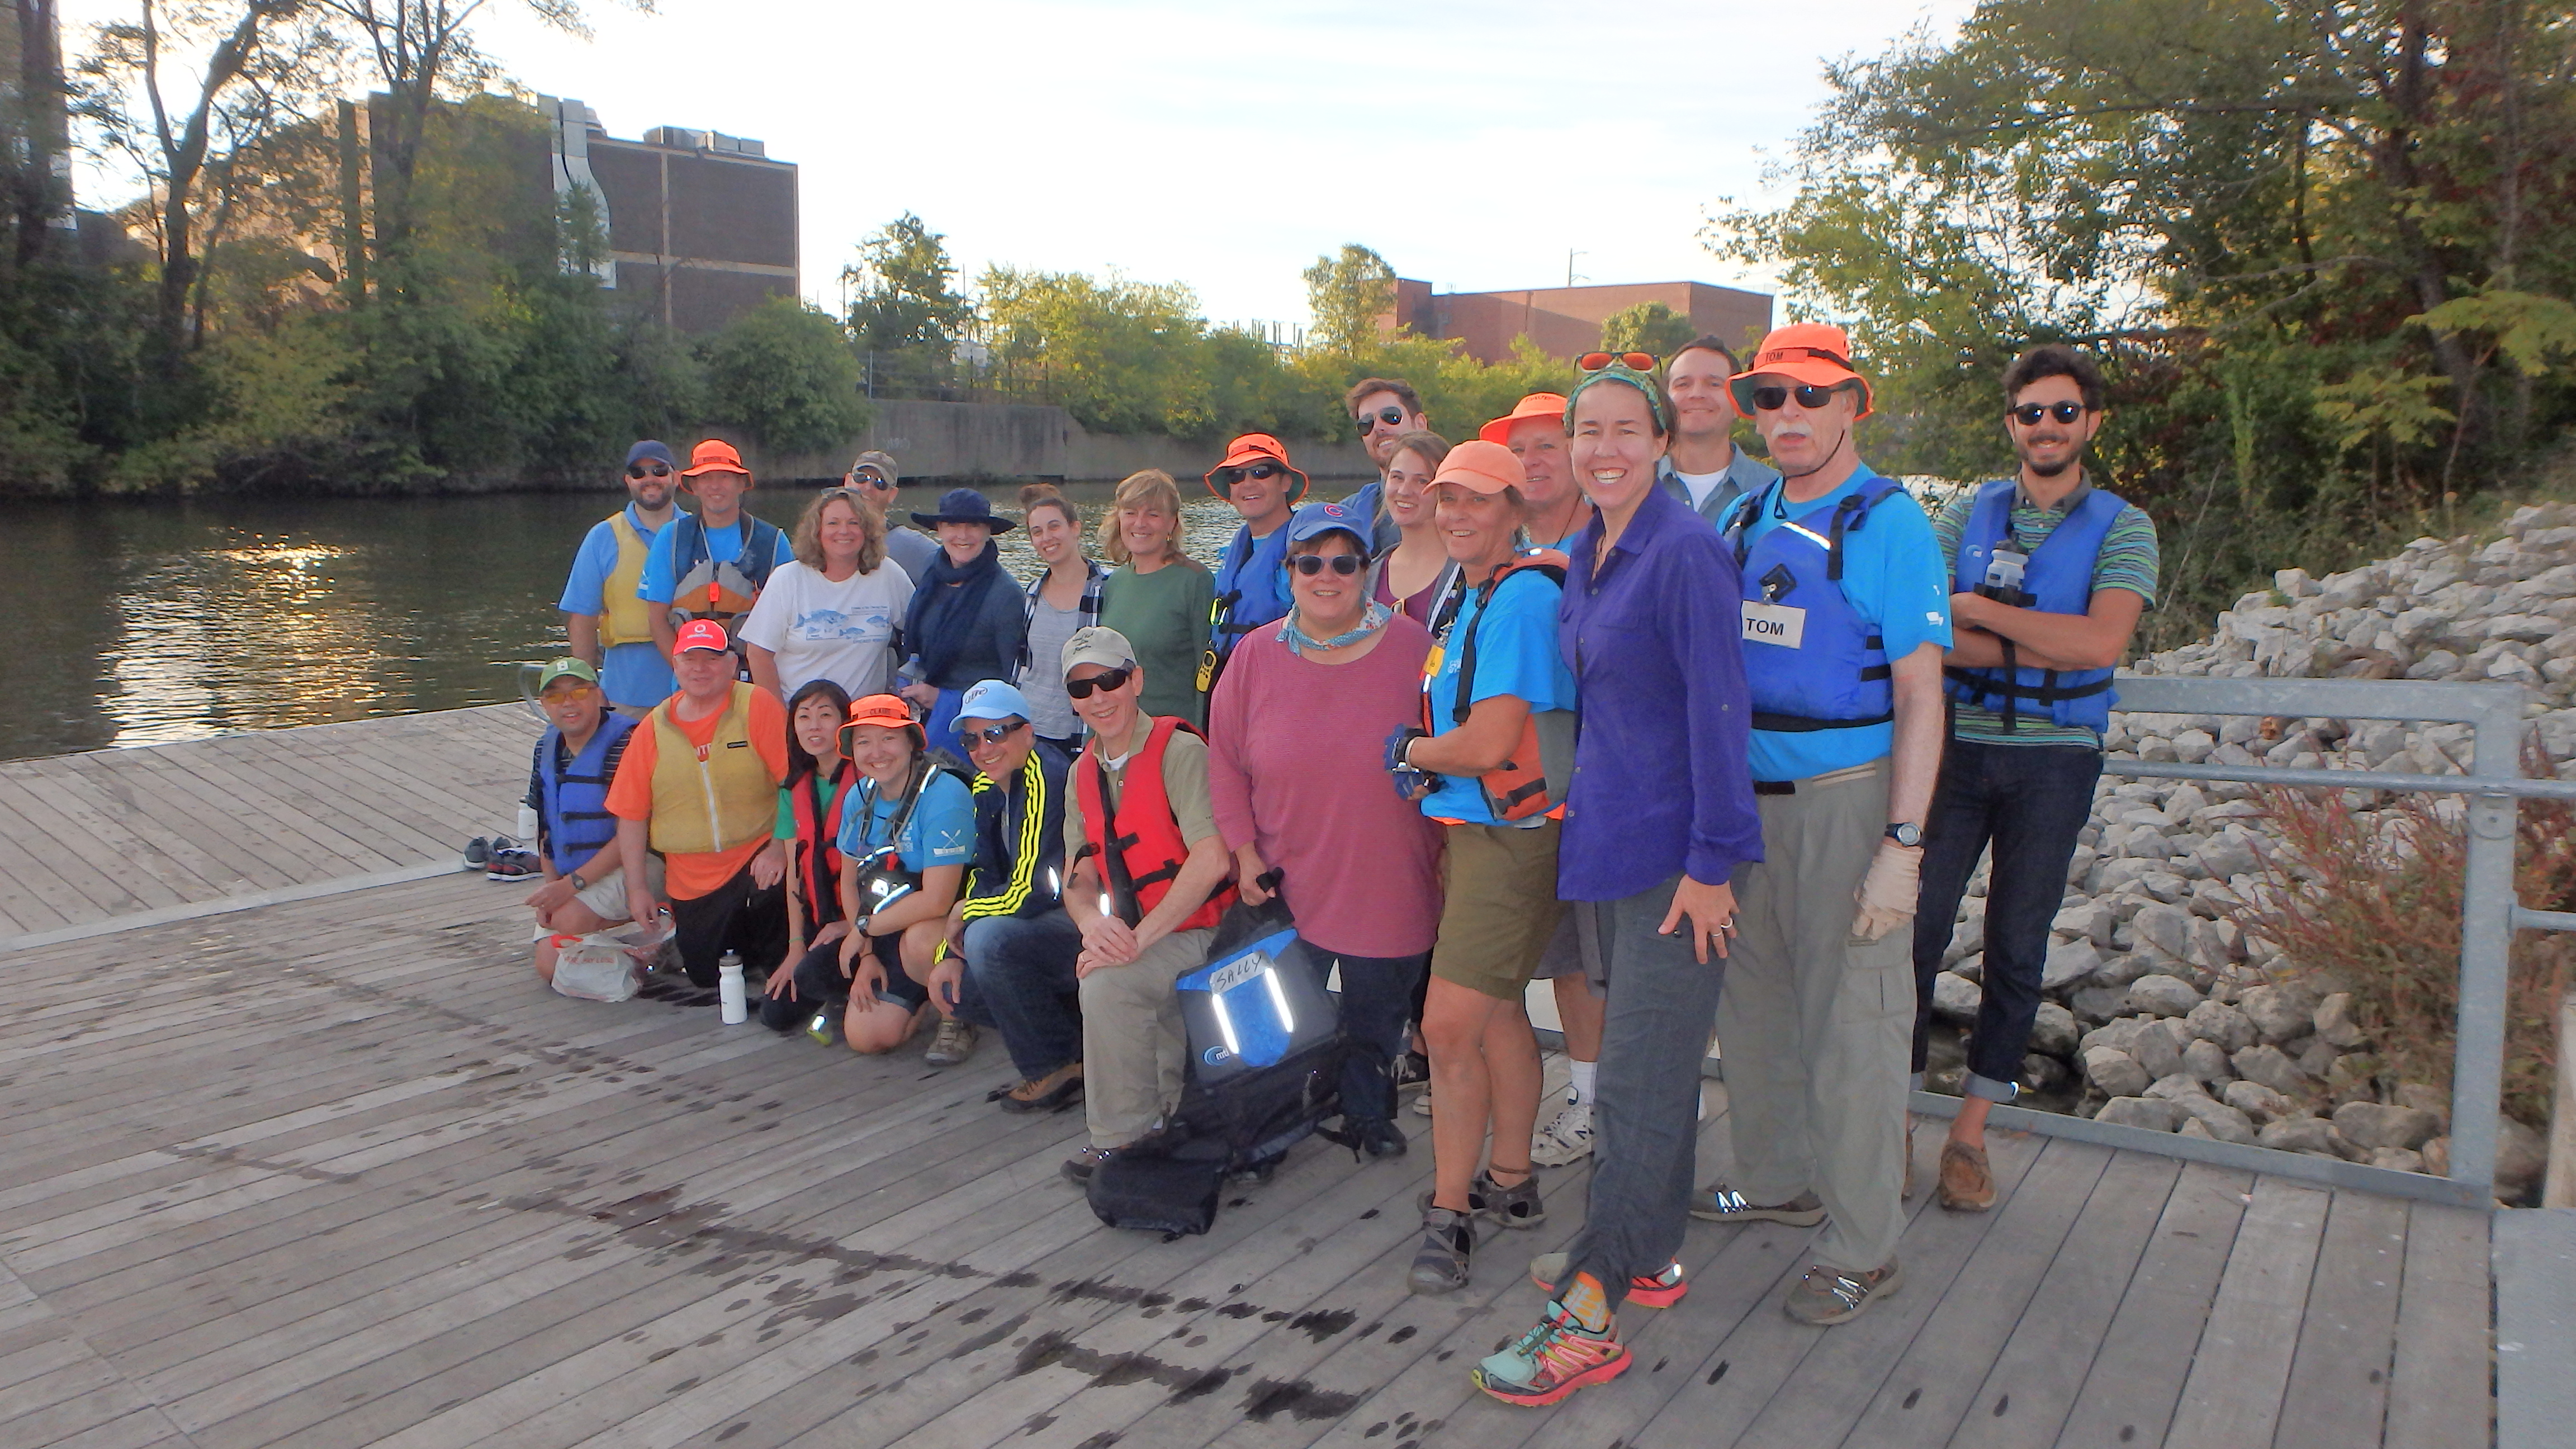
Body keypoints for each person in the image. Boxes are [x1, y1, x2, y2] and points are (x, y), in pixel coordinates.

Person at [1472, 358, 1766, 1408]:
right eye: (1583, 431)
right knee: (1656, 1067)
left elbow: (1719, 712)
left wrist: (1710, 865)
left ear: (1658, 440)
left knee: (1638, 1078)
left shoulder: (1684, 552)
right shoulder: (1593, 550)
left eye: (1620, 431)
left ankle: (1588, 1313)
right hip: (1612, 840)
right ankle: (1640, 1252)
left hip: (1675, 861)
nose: (1601, 448)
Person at [1688, 323, 1952, 1325]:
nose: (1787, 416)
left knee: (1853, 1030)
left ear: (1854, 404)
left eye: (1810, 396)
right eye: (1770, 398)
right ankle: (1775, 1180)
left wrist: (1902, 846)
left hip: (1846, 797)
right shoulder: (1746, 514)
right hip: (1741, 808)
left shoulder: (1887, 522)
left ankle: (1863, 1243)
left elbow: (1922, 696)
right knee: (1751, 1011)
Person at [1911, 344, 2158, 1210]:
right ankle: (1892, 1116)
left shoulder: (2125, 526)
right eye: (2030, 413)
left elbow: (2099, 645)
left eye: (2063, 412)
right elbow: (1929, 629)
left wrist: (1978, 612)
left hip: (2055, 758)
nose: (2046, 427)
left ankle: (1970, 1137)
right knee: (1912, 933)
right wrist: (2002, 626)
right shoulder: (1961, 517)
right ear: (2010, 422)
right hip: (1955, 751)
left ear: (2091, 422)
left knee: (2018, 945)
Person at [1391, 441, 1577, 1298]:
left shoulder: (1521, 601)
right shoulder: (1474, 593)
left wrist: (1409, 751)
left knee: (1448, 1030)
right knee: (1500, 1012)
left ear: (1514, 511)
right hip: (1480, 833)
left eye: (1477, 500)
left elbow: (1492, 743)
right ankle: (1512, 1178)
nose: (1457, 513)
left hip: (1511, 842)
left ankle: (1448, 1210)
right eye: (1447, 500)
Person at [1208, 500, 1441, 1161]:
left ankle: (1369, 1112)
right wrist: (1243, 852)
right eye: (1310, 561)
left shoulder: (1417, 648)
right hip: (1288, 876)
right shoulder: (1253, 655)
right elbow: (1223, 761)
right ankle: (1275, 1122)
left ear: (1368, 570)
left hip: (1391, 873)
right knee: (1280, 1021)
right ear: (1289, 571)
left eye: (1345, 562)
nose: (1327, 575)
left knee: (1377, 1016)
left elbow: (1452, 742)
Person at [1054, 626, 1234, 1185]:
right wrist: (1093, 926)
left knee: (1109, 983)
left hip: (1209, 933)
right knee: (1099, 964)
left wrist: (1135, 940)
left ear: (1136, 681)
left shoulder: (1181, 752)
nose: (1099, 698)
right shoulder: (1080, 772)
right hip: (1141, 930)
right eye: (1083, 689)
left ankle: (1124, 1137)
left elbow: (1212, 860)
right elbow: (1076, 879)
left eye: (1110, 681)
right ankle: (1155, 1114)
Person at [1479, 392, 1604, 1167]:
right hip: (1530, 792)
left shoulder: (1613, 541)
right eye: (1518, 449)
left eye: (1546, 444)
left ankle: (1606, 1101)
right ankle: (1586, 1097)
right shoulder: (1508, 555)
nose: (1532, 460)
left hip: (1604, 787)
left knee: (1601, 958)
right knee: (1564, 958)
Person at [927, 679, 1087, 1111]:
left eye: (996, 733)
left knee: (987, 941)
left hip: (1084, 920)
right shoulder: (986, 786)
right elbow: (985, 873)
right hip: (1039, 921)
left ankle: (1050, 1065)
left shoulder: (1044, 776)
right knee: (960, 986)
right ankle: (1077, 1049)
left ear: (1028, 733)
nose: (983, 748)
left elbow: (1034, 890)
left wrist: (965, 913)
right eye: (972, 739)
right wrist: (947, 952)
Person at [608, 621, 791, 989]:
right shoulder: (652, 729)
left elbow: (793, 784)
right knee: (707, 975)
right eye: (690, 659)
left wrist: (778, 847)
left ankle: (778, 957)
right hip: (692, 881)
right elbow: (630, 814)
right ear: (675, 665)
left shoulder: (758, 705)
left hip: (757, 860)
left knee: (774, 924)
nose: (699, 668)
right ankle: (692, 938)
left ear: (732, 665)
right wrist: (638, 888)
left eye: (711, 659)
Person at [828, 693, 981, 1057]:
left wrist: (864, 930)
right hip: (884, 922)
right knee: (867, 1038)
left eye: (889, 738)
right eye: (863, 741)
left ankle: (958, 1015)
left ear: (912, 741)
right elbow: (849, 880)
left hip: (945, 922)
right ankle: (923, 996)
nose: (876, 752)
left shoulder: (945, 793)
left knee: (922, 940)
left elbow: (937, 899)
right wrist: (866, 954)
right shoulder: (859, 795)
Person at [522, 658, 659, 983]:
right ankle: (642, 952)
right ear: (544, 705)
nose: (568, 703)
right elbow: (546, 826)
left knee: (567, 920)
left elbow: (635, 826)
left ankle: (661, 920)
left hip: (640, 862)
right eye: (555, 696)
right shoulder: (545, 748)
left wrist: (570, 887)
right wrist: (551, 886)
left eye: (579, 691)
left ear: (599, 695)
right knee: (549, 963)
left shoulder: (627, 742)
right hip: (576, 873)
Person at [740, 487, 915, 701]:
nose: (844, 531)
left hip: (864, 721)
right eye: (833, 523)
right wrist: (778, 719)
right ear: (817, 531)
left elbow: (922, 629)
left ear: (867, 530)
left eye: (854, 522)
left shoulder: (888, 574)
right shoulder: (787, 579)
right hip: (801, 718)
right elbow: (758, 654)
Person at [756, 679, 858, 1038]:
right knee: (775, 1014)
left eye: (825, 715)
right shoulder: (795, 787)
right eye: (804, 717)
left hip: (865, 924)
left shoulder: (868, 780)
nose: (813, 726)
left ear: (845, 723)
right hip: (820, 922)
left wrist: (855, 925)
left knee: (813, 977)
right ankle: (832, 986)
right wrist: (796, 946)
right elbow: (795, 878)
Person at [640, 439, 793, 664]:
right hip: (690, 677)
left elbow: (788, 621)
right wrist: (686, 671)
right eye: (706, 478)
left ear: (741, 484)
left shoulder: (774, 541)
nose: (715, 486)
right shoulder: (671, 538)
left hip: (752, 676)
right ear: (694, 487)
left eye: (725, 477)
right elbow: (657, 618)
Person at [898, 489, 1027, 751]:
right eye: (953, 525)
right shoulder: (931, 577)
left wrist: (942, 699)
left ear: (988, 531)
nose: (963, 536)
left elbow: (1012, 684)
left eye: (974, 526)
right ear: (939, 529)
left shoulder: (1006, 595)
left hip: (977, 734)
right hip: (923, 717)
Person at [559, 441, 681, 714]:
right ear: (628, 482)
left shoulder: (696, 532)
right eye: (639, 473)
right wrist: (588, 687)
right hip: (624, 696)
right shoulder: (602, 537)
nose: (649, 479)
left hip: (691, 692)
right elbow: (581, 619)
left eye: (659, 471)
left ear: (677, 477)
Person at [1093, 470, 1215, 728]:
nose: (1140, 523)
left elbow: (1206, 676)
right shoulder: (1116, 582)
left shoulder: (1194, 580)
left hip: (1173, 738)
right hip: (1116, 735)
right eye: (1130, 513)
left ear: (1172, 523)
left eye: (1153, 514)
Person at [1204, 433, 1309, 683]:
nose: (1248, 483)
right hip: (1232, 681)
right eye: (1236, 476)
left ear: (1285, 482)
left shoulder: (1306, 551)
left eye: (1261, 472)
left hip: (1281, 685)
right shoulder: (1237, 550)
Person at [1016, 485, 1110, 756]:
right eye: (1037, 532)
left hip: (1080, 732)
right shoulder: (1032, 593)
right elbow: (1023, 665)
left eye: (1054, 527)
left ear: (1075, 528)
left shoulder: (1107, 587)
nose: (1047, 538)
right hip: (1029, 730)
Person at [1659, 337, 1782, 525]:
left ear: (1737, 403)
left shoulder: (1776, 493)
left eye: (1714, 384)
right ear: (1665, 401)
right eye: (1683, 384)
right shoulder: (1634, 485)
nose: (1696, 394)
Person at [1371, 430, 1461, 626]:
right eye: (1397, 478)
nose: (1404, 491)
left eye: (1422, 481)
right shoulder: (1369, 574)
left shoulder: (1467, 571)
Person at [1342, 376, 1424, 552]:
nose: (1378, 428)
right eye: (1366, 424)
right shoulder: (1345, 515)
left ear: (1420, 424)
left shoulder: (1460, 500)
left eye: (1391, 417)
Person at [849, 449, 941, 584]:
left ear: (892, 494)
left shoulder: (915, 547)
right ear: (847, 481)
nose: (868, 487)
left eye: (880, 483)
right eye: (862, 478)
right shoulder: (819, 538)